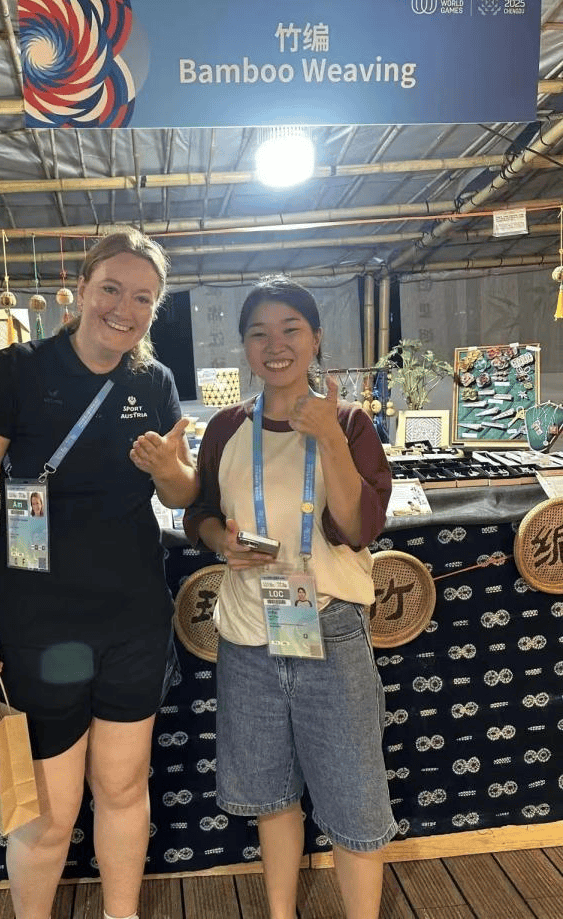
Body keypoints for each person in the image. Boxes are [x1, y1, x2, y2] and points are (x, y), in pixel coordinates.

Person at [0, 229, 198, 919]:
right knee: (48, 815)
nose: (124, 307)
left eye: (142, 297)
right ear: (80, 289)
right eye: (111, 288)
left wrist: (169, 471)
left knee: (123, 789)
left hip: (133, 624)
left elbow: (180, 494)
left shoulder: (155, 382)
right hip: (42, 629)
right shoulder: (14, 373)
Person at [183, 276, 395, 919]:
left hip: (330, 630)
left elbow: (357, 528)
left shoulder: (351, 423)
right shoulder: (226, 428)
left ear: (316, 338)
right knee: (272, 797)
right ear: (244, 346)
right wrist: (221, 541)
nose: (275, 346)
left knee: (354, 802)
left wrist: (327, 436)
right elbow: (201, 512)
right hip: (248, 636)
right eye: (259, 333)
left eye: (290, 330)